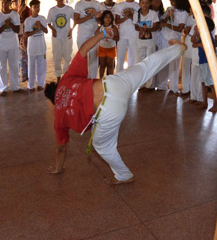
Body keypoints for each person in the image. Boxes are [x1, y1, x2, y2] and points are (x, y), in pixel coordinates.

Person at [45, 32, 187, 184]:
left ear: (53, 101)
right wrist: (103, 34)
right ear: (58, 86)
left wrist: (58, 168)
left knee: (102, 145)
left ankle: (124, 175)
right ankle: (178, 49)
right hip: (114, 83)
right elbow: (84, 49)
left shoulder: (58, 115)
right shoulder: (66, 80)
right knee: (146, 66)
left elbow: (61, 147)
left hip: (109, 109)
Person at [159, 0, 190, 94]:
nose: (170, 0)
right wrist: (168, 16)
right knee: (163, 63)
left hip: (175, 40)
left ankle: (173, 88)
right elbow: (161, 22)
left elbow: (180, 28)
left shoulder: (183, 13)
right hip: (164, 38)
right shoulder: (169, 9)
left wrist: (167, 25)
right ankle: (162, 86)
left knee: (174, 65)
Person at [0, 0, 22, 94]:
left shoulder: (15, 15)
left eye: (6, 3)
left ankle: (15, 87)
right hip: (1, 45)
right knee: (1, 67)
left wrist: (10, 24)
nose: (4, 5)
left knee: (14, 65)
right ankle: (3, 88)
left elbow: (17, 30)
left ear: (10, 4)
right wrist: (5, 25)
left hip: (13, 44)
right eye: (2, 3)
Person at [74, 0, 101, 75]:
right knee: (82, 56)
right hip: (82, 34)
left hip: (93, 33)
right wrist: (90, 16)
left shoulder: (97, 4)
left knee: (93, 56)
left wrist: (98, 19)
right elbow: (76, 21)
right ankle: (82, 76)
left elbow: (99, 21)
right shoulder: (79, 4)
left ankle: (92, 78)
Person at [47, 0, 74, 79]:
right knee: (56, 57)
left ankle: (66, 76)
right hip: (56, 37)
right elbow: (48, 23)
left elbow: (76, 20)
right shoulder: (52, 10)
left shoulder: (69, 9)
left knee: (67, 57)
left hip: (67, 37)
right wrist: (53, 29)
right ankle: (58, 76)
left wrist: (71, 30)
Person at [193, 16, 217, 112]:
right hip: (202, 61)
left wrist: (200, 44)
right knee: (203, 82)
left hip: (208, 62)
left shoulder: (208, 36)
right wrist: (196, 32)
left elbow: (210, 48)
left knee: (211, 84)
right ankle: (205, 102)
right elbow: (193, 43)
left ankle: (215, 104)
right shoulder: (201, 34)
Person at [23, 0, 48, 91]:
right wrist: (36, 30)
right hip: (32, 47)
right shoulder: (28, 21)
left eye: (38, 7)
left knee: (41, 67)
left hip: (41, 47)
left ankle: (40, 84)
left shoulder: (42, 18)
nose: (37, 9)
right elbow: (27, 34)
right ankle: (31, 86)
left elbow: (46, 31)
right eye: (35, 7)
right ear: (31, 8)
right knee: (31, 67)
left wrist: (40, 25)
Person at [114, 0, 140, 71]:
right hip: (122, 34)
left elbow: (139, 21)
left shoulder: (137, 6)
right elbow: (117, 21)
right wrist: (126, 17)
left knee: (133, 57)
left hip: (134, 34)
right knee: (120, 57)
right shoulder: (120, 5)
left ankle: (131, 77)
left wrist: (131, 16)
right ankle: (119, 76)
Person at [133, 0, 158, 85]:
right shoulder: (136, 14)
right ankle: (141, 84)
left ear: (149, 4)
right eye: (143, 3)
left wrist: (148, 29)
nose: (145, 5)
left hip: (150, 42)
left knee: (150, 61)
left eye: (147, 3)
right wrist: (141, 29)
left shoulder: (153, 14)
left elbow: (155, 27)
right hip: (140, 41)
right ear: (139, 4)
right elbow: (135, 26)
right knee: (140, 62)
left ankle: (150, 85)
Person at [97, 10, 119, 78]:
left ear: (112, 19)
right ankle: (101, 80)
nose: (108, 19)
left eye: (110, 17)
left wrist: (112, 37)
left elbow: (117, 38)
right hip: (102, 48)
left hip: (111, 48)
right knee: (102, 66)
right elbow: (96, 36)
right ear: (103, 18)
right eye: (106, 17)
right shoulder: (100, 27)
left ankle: (110, 81)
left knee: (110, 66)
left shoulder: (113, 27)